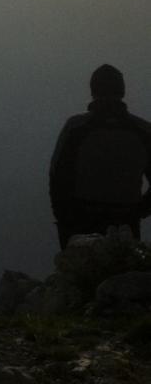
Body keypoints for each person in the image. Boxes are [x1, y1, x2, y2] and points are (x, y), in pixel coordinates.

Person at [50, 64, 151, 249]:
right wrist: (138, 211)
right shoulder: (143, 131)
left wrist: (64, 218)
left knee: (82, 276)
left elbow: (58, 177)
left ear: (93, 91)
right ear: (122, 91)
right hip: (126, 223)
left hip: (81, 222)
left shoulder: (76, 127)